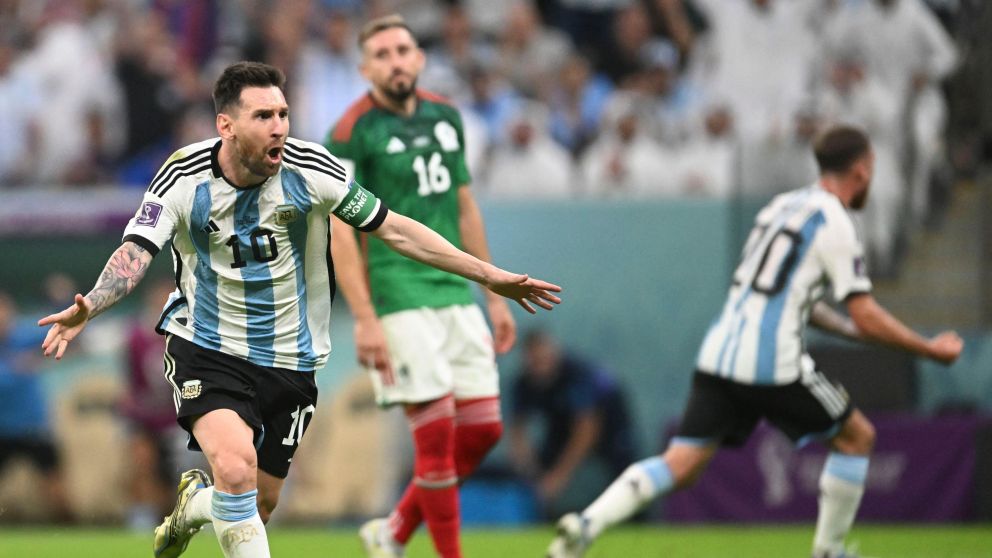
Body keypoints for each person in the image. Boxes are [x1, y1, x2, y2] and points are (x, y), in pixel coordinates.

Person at [38, 60, 561, 558]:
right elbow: (135, 253)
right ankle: (210, 497)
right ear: (226, 124)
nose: (278, 127)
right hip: (206, 344)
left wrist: (490, 277)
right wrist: (91, 306)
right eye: (263, 116)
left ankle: (192, 508)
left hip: (292, 357)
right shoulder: (182, 176)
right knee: (236, 471)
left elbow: (395, 228)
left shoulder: (312, 171)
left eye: (283, 114)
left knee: (257, 503)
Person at [546, 125, 963, 558]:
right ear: (861, 171)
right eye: (871, 171)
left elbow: (782, 294)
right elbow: (866, 312)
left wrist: (846, 330)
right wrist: (928, 348)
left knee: (682, 464)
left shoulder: (781, 207)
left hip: (720, 354)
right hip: (771, 363)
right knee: (857, 437)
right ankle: (829, 551)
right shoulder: (836, 221)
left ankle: (587, 524)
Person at [324, 14, 517, 558]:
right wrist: (364, 316)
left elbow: (464, 207)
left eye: (402, 49)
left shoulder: (445, 116)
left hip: (456, 290)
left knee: (482, 430)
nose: (395, 60)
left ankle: (392, 533)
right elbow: (341, 230)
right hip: (398, 294)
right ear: (364, 69)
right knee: (433, 439)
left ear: (420, 57)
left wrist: (494, 295)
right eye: (381, 54)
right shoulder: (349, 131)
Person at [509, 329, 636, 518]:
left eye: (544, 359)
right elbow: (517, 430)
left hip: (610, 434)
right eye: (534, 362)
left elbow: (587, 431)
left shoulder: (578, 375)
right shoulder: (523, 382)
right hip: (562, 429)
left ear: (554, 353)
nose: (540, 367)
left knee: (620, 483)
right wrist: (530, 470)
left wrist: (557, 478)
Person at [0, 291, 71, 522]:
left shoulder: (23, 335)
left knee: (53, 482)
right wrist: (17, 366)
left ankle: (68, 528)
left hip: (33, 427)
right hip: (3, 430)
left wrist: (62, 297)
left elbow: (61, 325)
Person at [120, 279, 185, 530]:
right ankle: (143, 517)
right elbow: (131, 383)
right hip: (146, 418)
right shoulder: (137, 336)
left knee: (195, 464)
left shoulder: (190, 334)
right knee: (141, 460)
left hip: (180, 417)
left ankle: (197, 515)